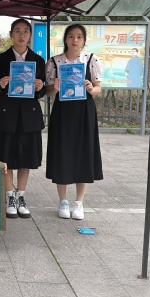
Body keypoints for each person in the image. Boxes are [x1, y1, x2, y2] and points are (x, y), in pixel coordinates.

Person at [45, 23, 103, 220]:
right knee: (61, 153)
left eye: (79, 36)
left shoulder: (91, 60)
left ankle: (79, 203)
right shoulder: (54, 62)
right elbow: (48, 91)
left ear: (84, 40)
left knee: (83, 153)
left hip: (84, 112)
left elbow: (98, 88)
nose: (75, 40)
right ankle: (63, 201)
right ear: (65, 40)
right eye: (71, 36)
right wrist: (54, 87)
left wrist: (91, 88)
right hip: (62, 112)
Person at [0, 19, 46, 220]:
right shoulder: (1, 59)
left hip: (29, 115)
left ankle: (21, 196)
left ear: (30, 35)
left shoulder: (38, 60)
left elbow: (42, 92)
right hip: (7, 114)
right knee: (6, 157)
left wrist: (40, 87)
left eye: (25, 31)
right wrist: (1, 85)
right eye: (17, 31)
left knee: (26, 158)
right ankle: (9, 197)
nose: (21, 35)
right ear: (11, 34)